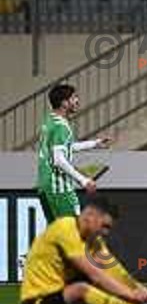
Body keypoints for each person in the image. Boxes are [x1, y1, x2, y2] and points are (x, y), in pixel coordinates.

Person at [20, 197, 147, 304]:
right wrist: (133, 295)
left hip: (63, 301)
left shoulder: (95, 241)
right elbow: (95, 275)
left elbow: (117, 273)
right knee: (84, 286)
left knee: (108, 281)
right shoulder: (64, 228)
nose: (106, 233)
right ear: (89, 216)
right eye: (104, 226)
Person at [37, 84, 112, 223]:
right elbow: (59, 159)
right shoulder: (61, 126)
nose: (77, 101)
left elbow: (65, 147)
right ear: (64, 103)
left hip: (45, 187)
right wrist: (83, 180)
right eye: (74, 97)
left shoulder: (50, 121)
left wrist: (94, 144)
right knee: (72, 232)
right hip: (59, 188)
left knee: (57, 233)